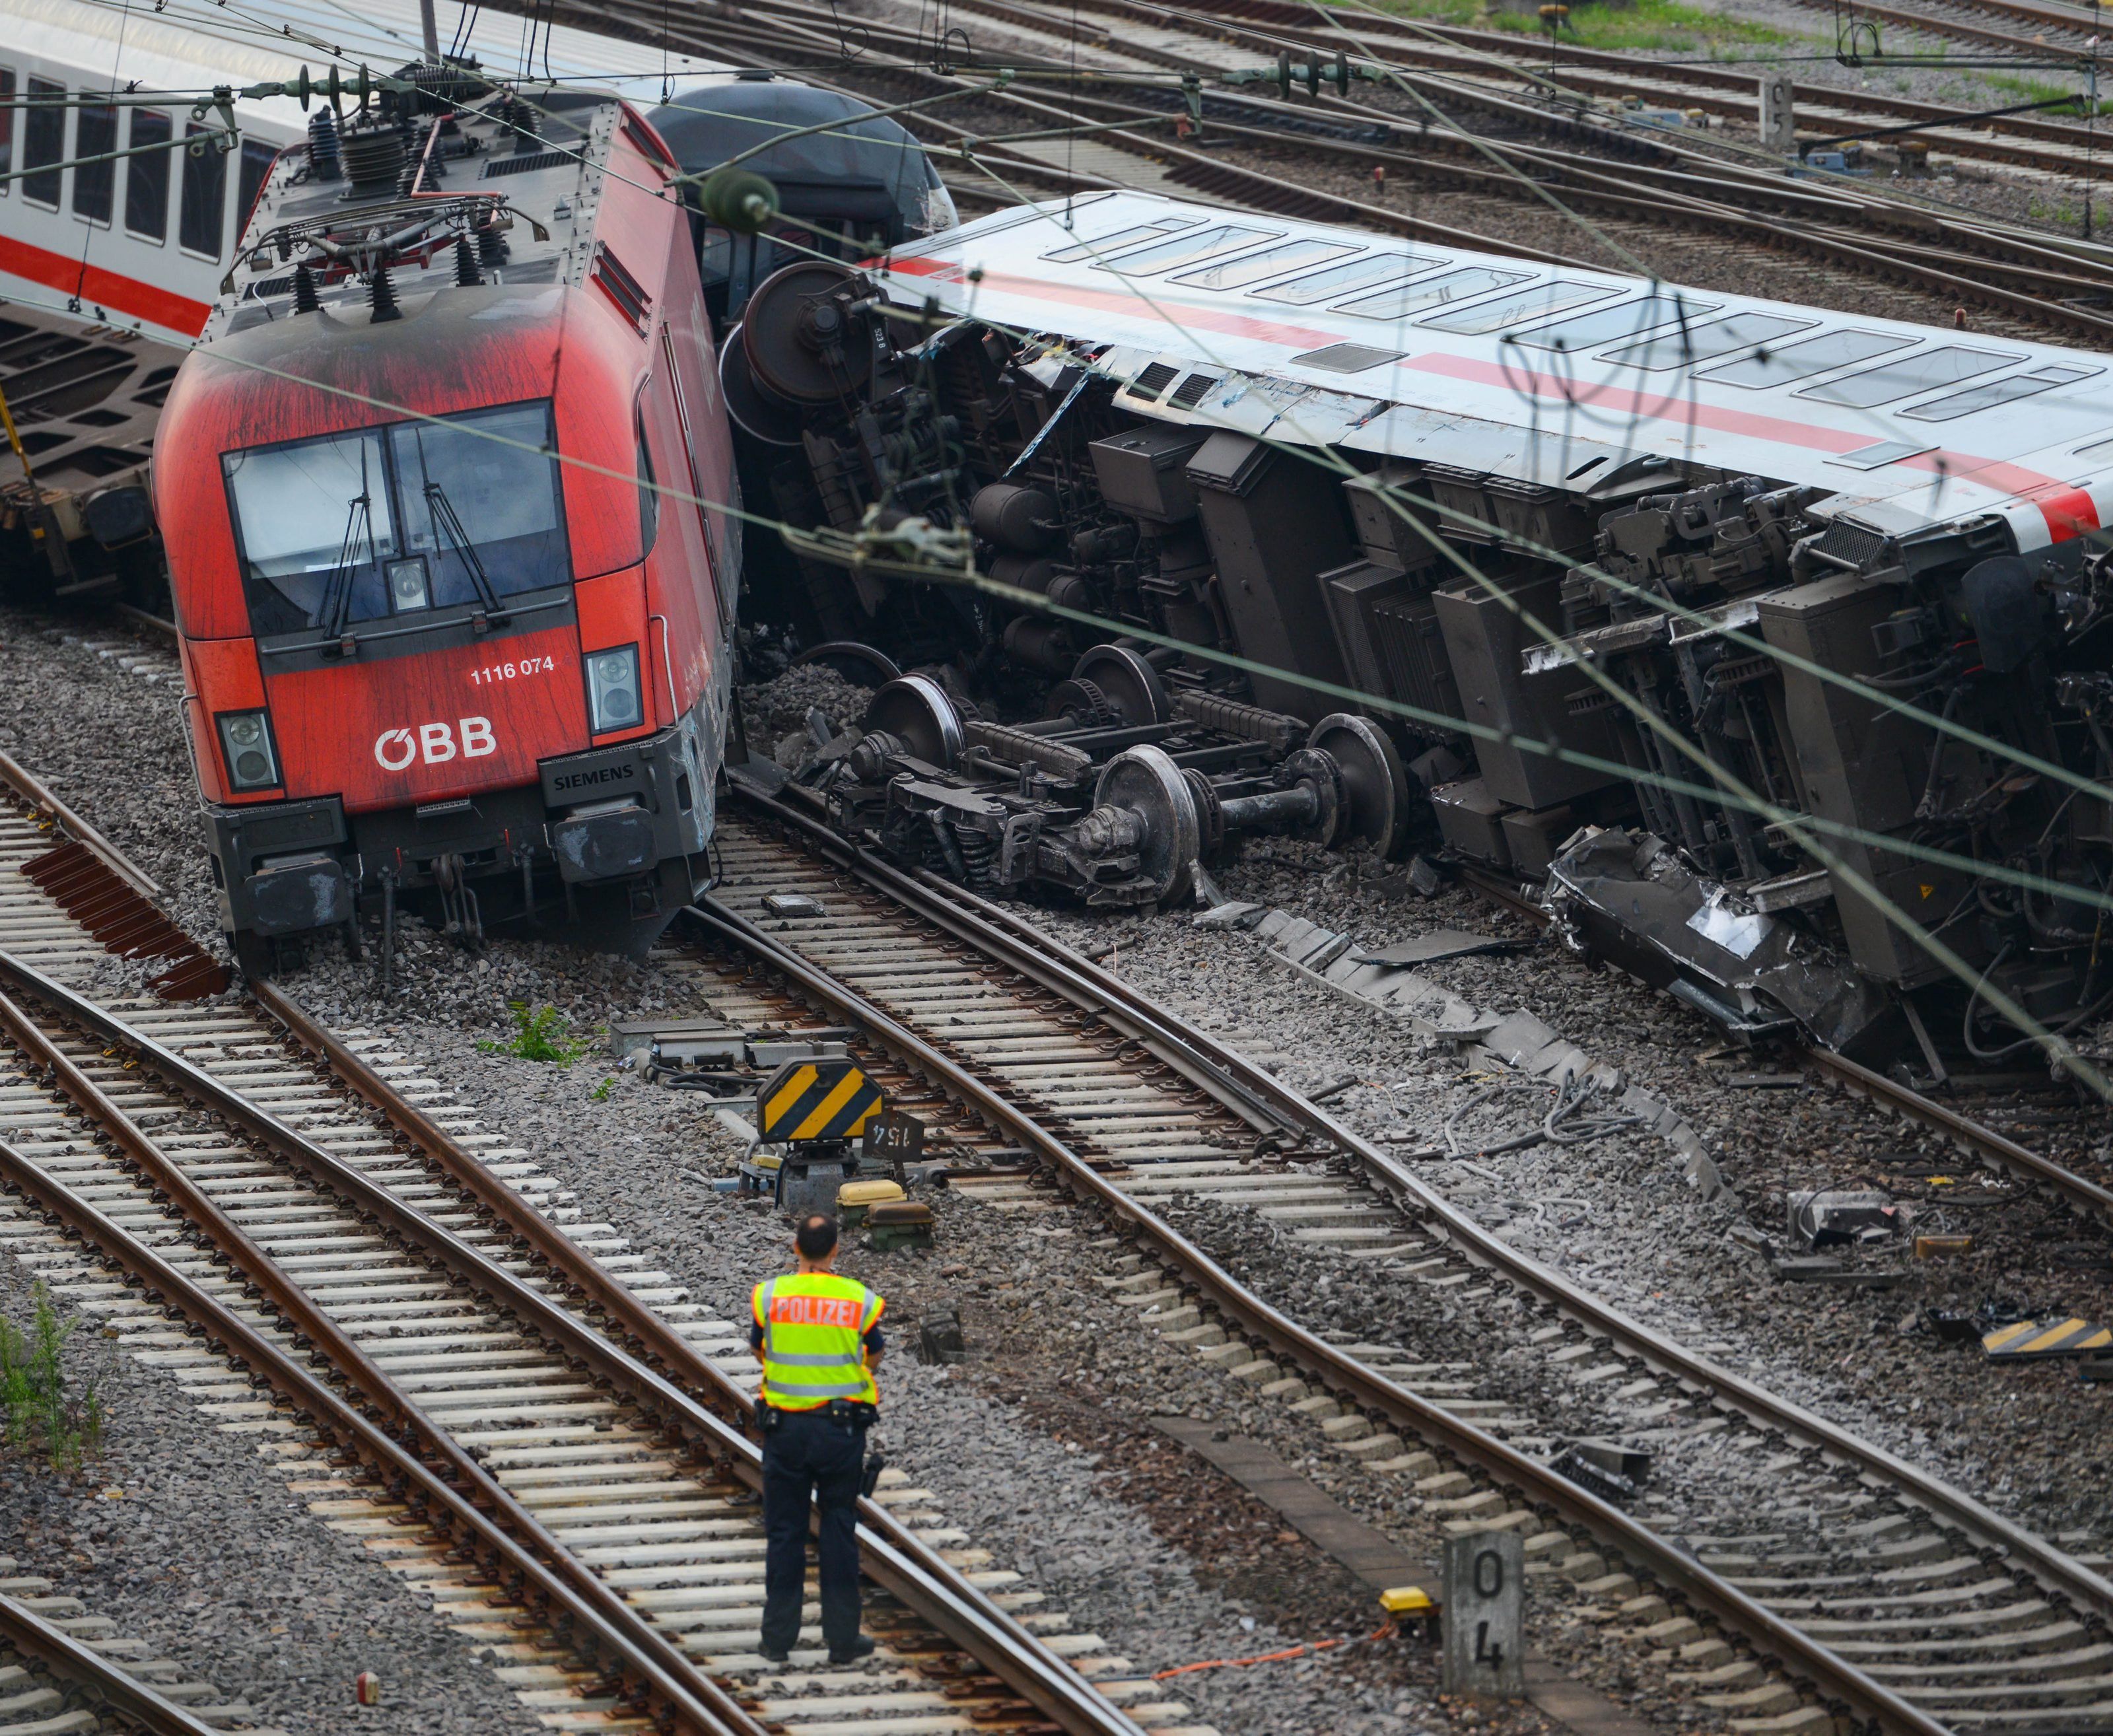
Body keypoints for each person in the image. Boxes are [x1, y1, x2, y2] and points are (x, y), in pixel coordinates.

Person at [751, 1212, 885, 1665]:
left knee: (785, 1531)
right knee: (839, 1527)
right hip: (840, 1431)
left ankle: (777, 1640)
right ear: (835, 1250)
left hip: (785, 1430)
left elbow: (759, 1346)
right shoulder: (857, 1299)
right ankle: (842, 1640)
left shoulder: (772, 1295)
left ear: (795, 1247)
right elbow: (875, 1350)